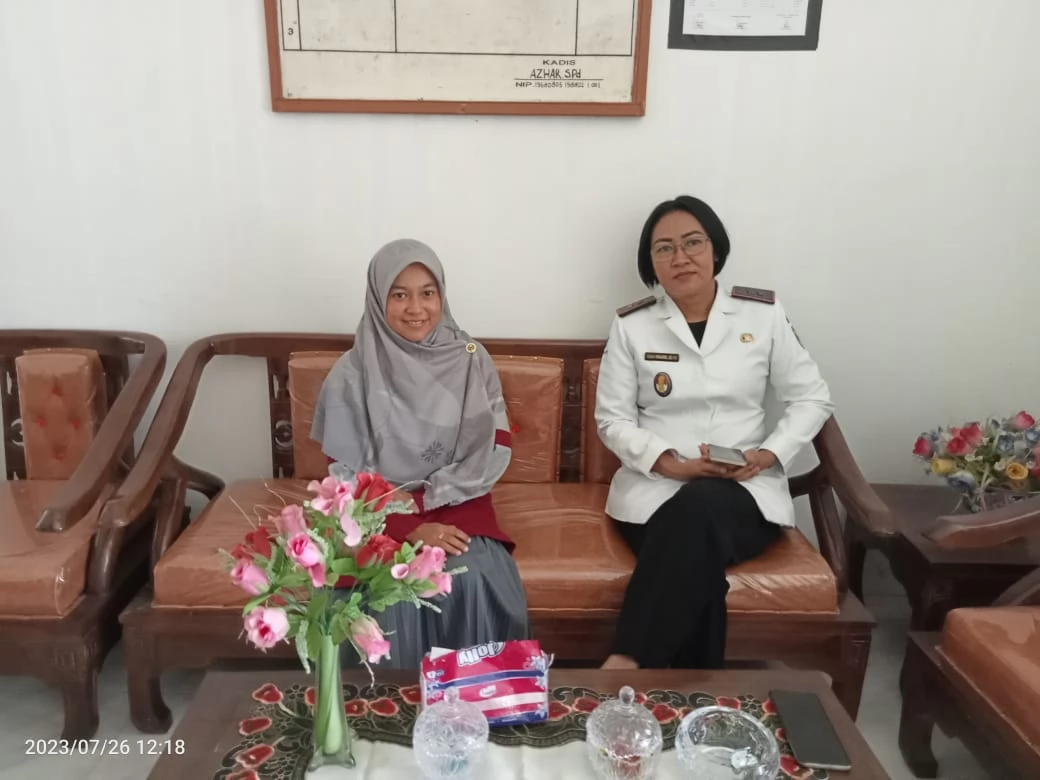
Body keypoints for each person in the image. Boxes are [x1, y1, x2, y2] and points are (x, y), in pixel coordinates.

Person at [595, 195, 834, 671]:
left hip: (745, 489)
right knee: (696, 549)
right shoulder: (632, 326)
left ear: (716, 250)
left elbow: (813, 398)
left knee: (698, 513)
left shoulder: (762, 315)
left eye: (692, 243)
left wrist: (768, 454)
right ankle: (699, 698)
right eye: (664, 248)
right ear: (650, 263)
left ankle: (627, 663)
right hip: (656, 487)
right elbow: (612, 419)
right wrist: (672, 464)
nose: (680, 257)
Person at [310, 238, 530, 668]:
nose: (416, 308)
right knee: (386, 595)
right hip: (375, 512)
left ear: (442, 295)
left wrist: (433, 501)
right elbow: (345, 474)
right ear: (379, 299)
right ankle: (393, 706)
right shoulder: (352, 373)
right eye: (399, 295)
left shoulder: (470, 358)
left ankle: (475, 700)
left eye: (427, 293)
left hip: (459, 499)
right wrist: (406, 524)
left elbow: (490, 447)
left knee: (474, 578)